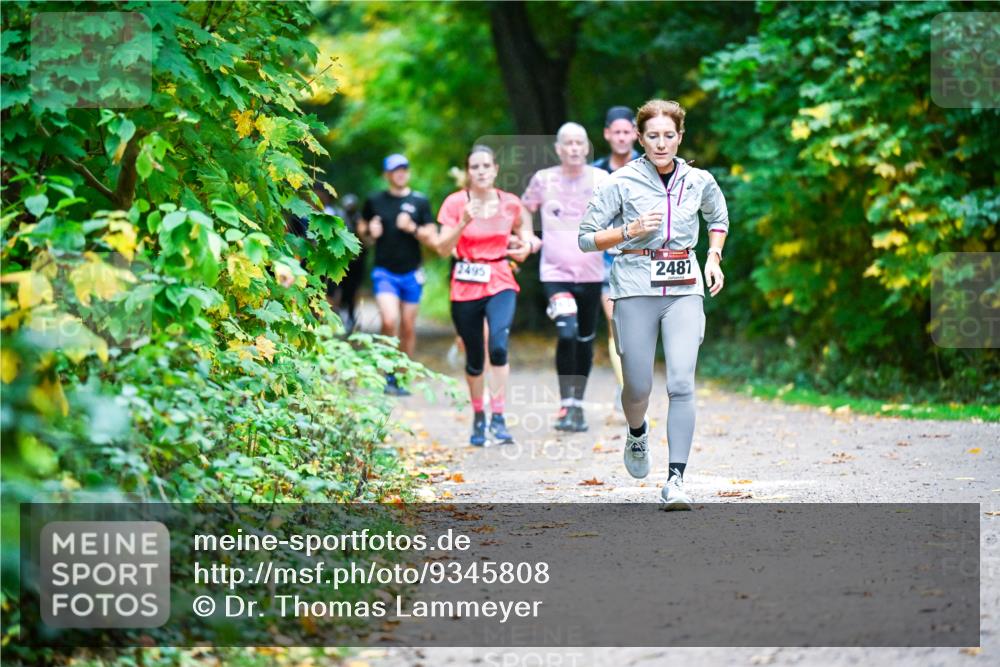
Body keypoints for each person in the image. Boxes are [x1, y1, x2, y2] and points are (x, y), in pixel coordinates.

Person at [579, 100, 729, 510]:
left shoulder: (699, 180)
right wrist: (627, 230)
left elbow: (718, 219)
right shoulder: (620, 181)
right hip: (634, 286)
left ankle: (676, 480)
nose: (661, 143)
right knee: (639, 387)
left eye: (669, 135)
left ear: (680, 137)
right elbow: (586, 237)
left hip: (684, 286)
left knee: (681, 384)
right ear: (640, 139)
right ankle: (637, 431)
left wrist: (713, 257)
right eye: (653, 136)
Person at [436, 145, 540, 446]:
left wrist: (526, 247)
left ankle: (499, 416)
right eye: (475, 167)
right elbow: (443, 248)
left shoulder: (510, 203)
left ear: (495, 170)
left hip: (500, 279)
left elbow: (527, 238)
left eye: (486, 166)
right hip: (465, 283)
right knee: (475, 358)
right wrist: (463, 222)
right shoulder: (456, 204)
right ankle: (479, 416)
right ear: (468, 172)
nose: (481, 171)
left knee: (498, 346)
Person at [522, 122, 608, 432]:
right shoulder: (543, 180)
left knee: (585, 339)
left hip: (591, 272)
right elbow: (523, 209)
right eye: (567, 143)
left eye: (579, 143)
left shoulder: (602, 179)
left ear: (587, 148)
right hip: (555, 273)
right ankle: (564, 404)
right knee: (567, 333)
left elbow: (620, 213)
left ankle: (578, 406)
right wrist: (527, 236)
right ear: (558, 149)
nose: (573, 148)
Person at [358, 154, 437, 395]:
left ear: (408, 173)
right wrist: (370, 232)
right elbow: (362, 230)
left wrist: (412, 228)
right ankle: (387, 372)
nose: (400, 173)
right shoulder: (375, 200)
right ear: (387, 175)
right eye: (395, 170)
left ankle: (402, 377)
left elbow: (433, 235)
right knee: (389, 320)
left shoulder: (420, 201)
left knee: (408, 327)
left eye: (404, 169)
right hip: (385, 272)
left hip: (412, 273)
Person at [593, 106, 641, 413]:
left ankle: (636, 382)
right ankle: (627, 387)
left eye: (628, 132)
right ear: (608, 134)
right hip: (606, 258)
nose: (622, 138)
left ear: (635, 134)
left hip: (642, 255)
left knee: (638, 324)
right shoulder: (595, 171)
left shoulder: (649, 165)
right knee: (616, 323)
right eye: (617, 132)